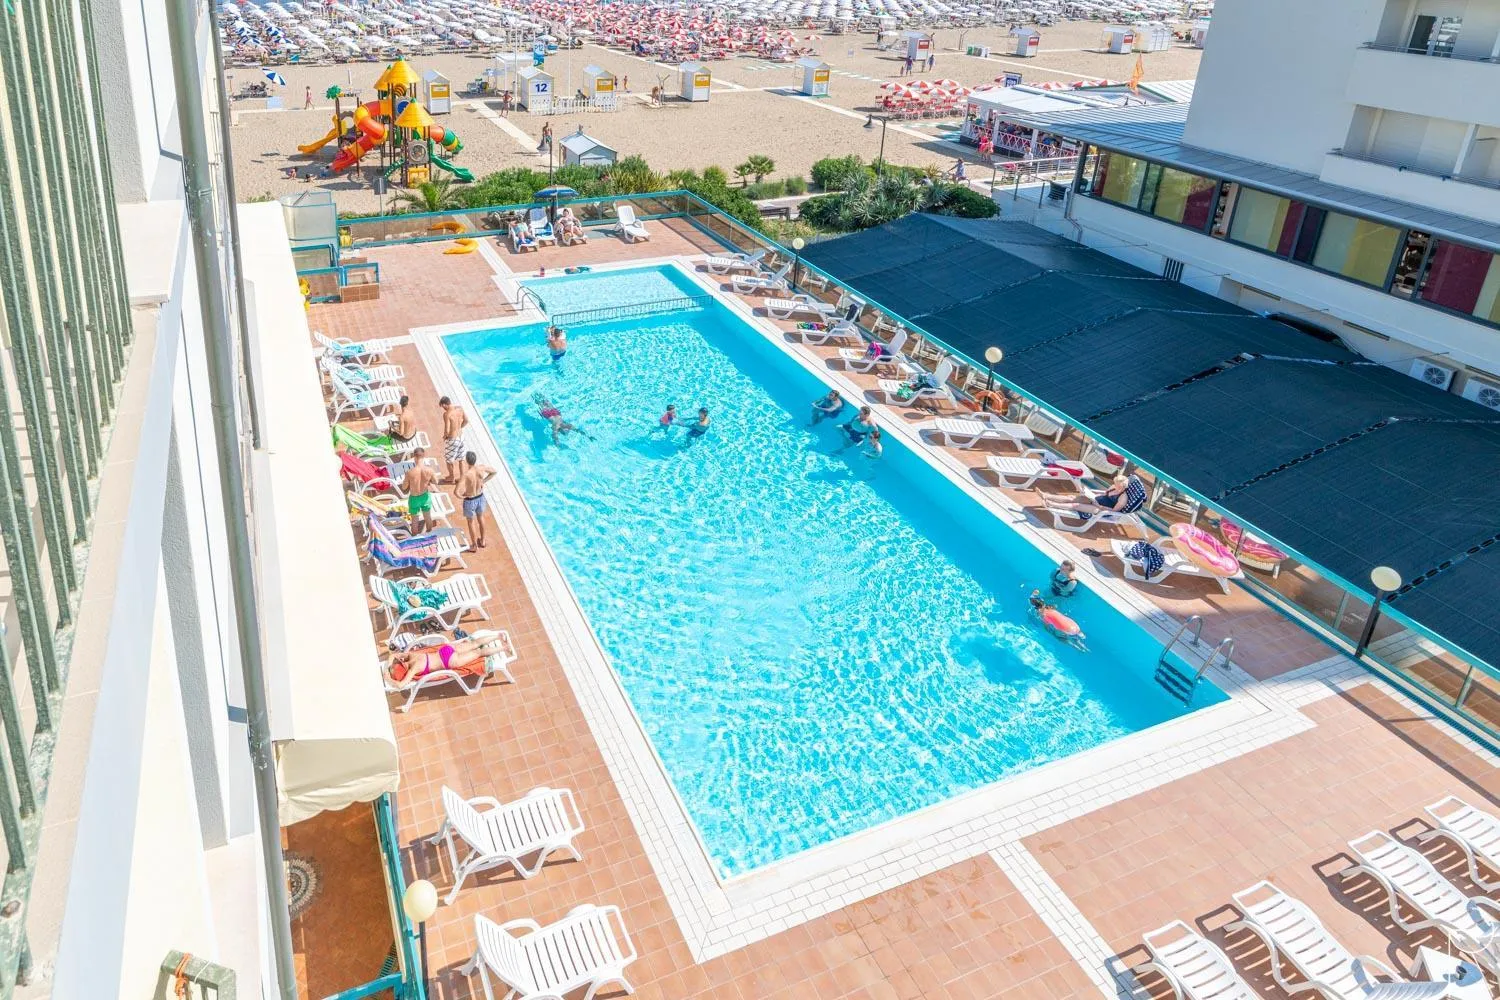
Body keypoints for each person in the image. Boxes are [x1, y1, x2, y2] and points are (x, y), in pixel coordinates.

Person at [387, 632, 513, 684]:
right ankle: (498, 636)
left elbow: (400, 685)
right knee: (474, 644)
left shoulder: (413, 669)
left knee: (478, 652)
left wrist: (388, 678)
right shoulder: (410, 655)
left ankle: (504, 648)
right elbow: (392, 655)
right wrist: (389, 665)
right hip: (445, 650)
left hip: (449, 661)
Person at [456, 451, 495, 550]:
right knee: (481, 518)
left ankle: (474, 546)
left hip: (470, 500)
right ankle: (482, 541)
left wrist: (463, 496)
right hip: (480, 497)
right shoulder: (481, 468)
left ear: (466, 461)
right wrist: (483, 481)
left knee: (470, 522)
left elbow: (456, 492)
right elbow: (494, 472)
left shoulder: (466, 475)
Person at [401, 448, 437, 536]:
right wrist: (428, 481)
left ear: (414, 457)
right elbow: (436, 481)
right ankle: (429, 533)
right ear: (424, 457)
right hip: (425, 496)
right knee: (427, 517)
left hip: (414, 498)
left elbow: (404, 487)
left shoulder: (409, 472)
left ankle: (415, 537)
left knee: (415, 520)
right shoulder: (430, 470)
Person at [439, 396, 468, 484]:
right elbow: (466, 421)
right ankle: (462, 478)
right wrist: (459, 428)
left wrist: (445, 436)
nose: (443, 409)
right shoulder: (460, 409)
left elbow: (447, 430)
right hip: (461, 437)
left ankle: (451, 477)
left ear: (445, 405)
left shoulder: (447, 414)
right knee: (461, 458)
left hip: (453, 440)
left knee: (449, 460)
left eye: (442, 406)